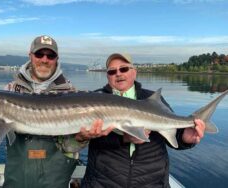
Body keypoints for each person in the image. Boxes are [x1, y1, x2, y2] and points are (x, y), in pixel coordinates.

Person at [0, 35, 89, 188]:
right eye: (39, 54)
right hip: (17, 178)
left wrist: (81, 138)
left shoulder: (71, 93)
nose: (44, 60)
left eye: (50, 56)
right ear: (30, 56)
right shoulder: (10, 90)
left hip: (55, 180)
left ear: (57, 59)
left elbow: (70, 147)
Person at [76, 53, 206, 188]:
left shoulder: (152, 99)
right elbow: (83, 141)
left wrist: (185, 139)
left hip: (152, 183)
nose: (118, 74)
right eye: (112, 71)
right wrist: (123, 139)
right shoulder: (93, 99)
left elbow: (174, 134)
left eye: (124, 69)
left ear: (134, 72)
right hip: (103, 182)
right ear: (107, 75)